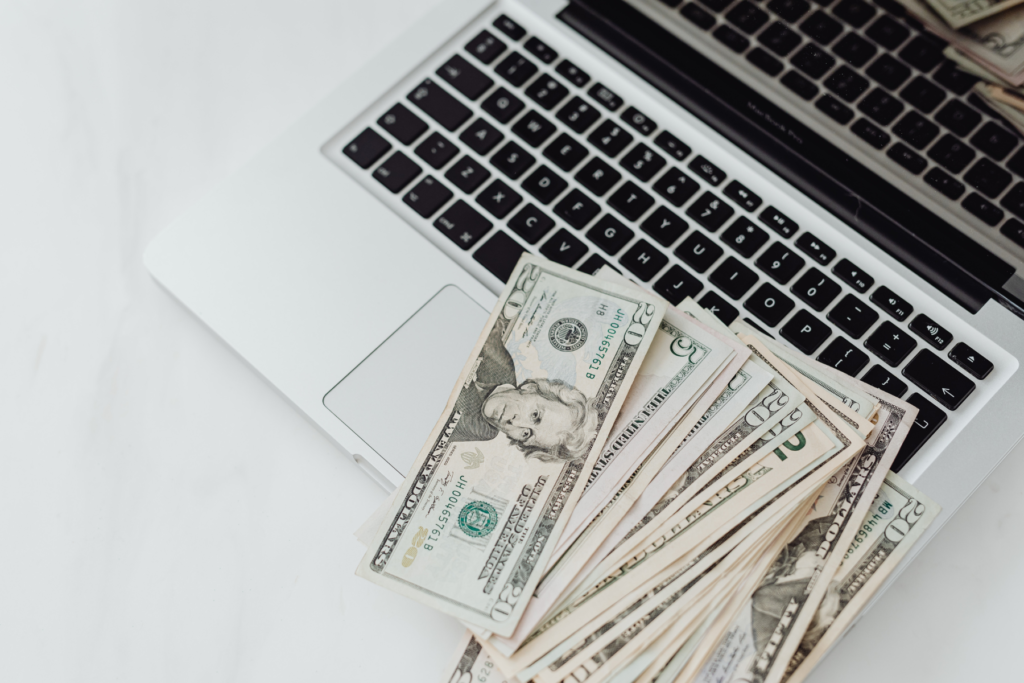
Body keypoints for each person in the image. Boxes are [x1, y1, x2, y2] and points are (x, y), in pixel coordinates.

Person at [449, 317, 597, 462]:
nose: (516, 423)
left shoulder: (481, 428)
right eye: (535, 415)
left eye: (526, 434)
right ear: (531, 388)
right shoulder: (502, 367)